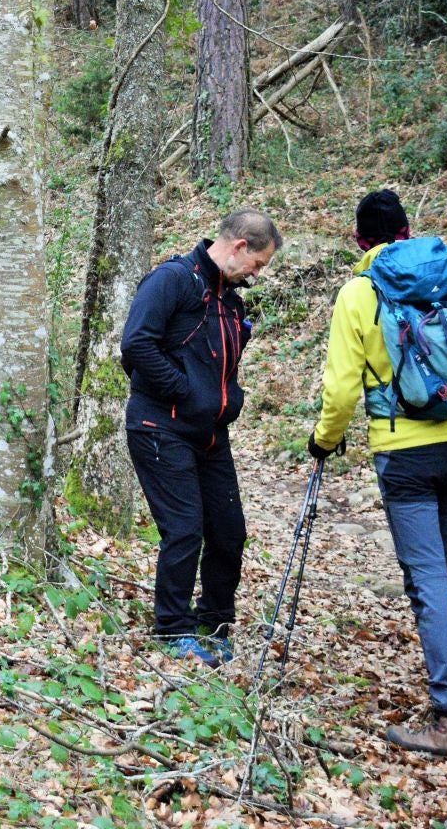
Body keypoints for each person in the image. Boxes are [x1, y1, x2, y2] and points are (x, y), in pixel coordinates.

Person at [308, 190, 447, 757]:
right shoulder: (444, 277)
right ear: (408, 230)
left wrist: (325, 440)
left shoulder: (359, 292)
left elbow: (342, 388)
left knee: (428, 581)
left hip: (405, 454)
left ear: (359, 240)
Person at [119, 209, 282, 667]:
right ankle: (173, 628)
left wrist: (225, 401)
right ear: (239, 247)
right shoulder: (173, 280)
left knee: (229, 532)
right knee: (185, 528)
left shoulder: (231, 300)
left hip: (211, 433)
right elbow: (137, 346)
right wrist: (186, 391)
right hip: (160, 426)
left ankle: (215, 624)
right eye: (259, 263)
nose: (257, 273)